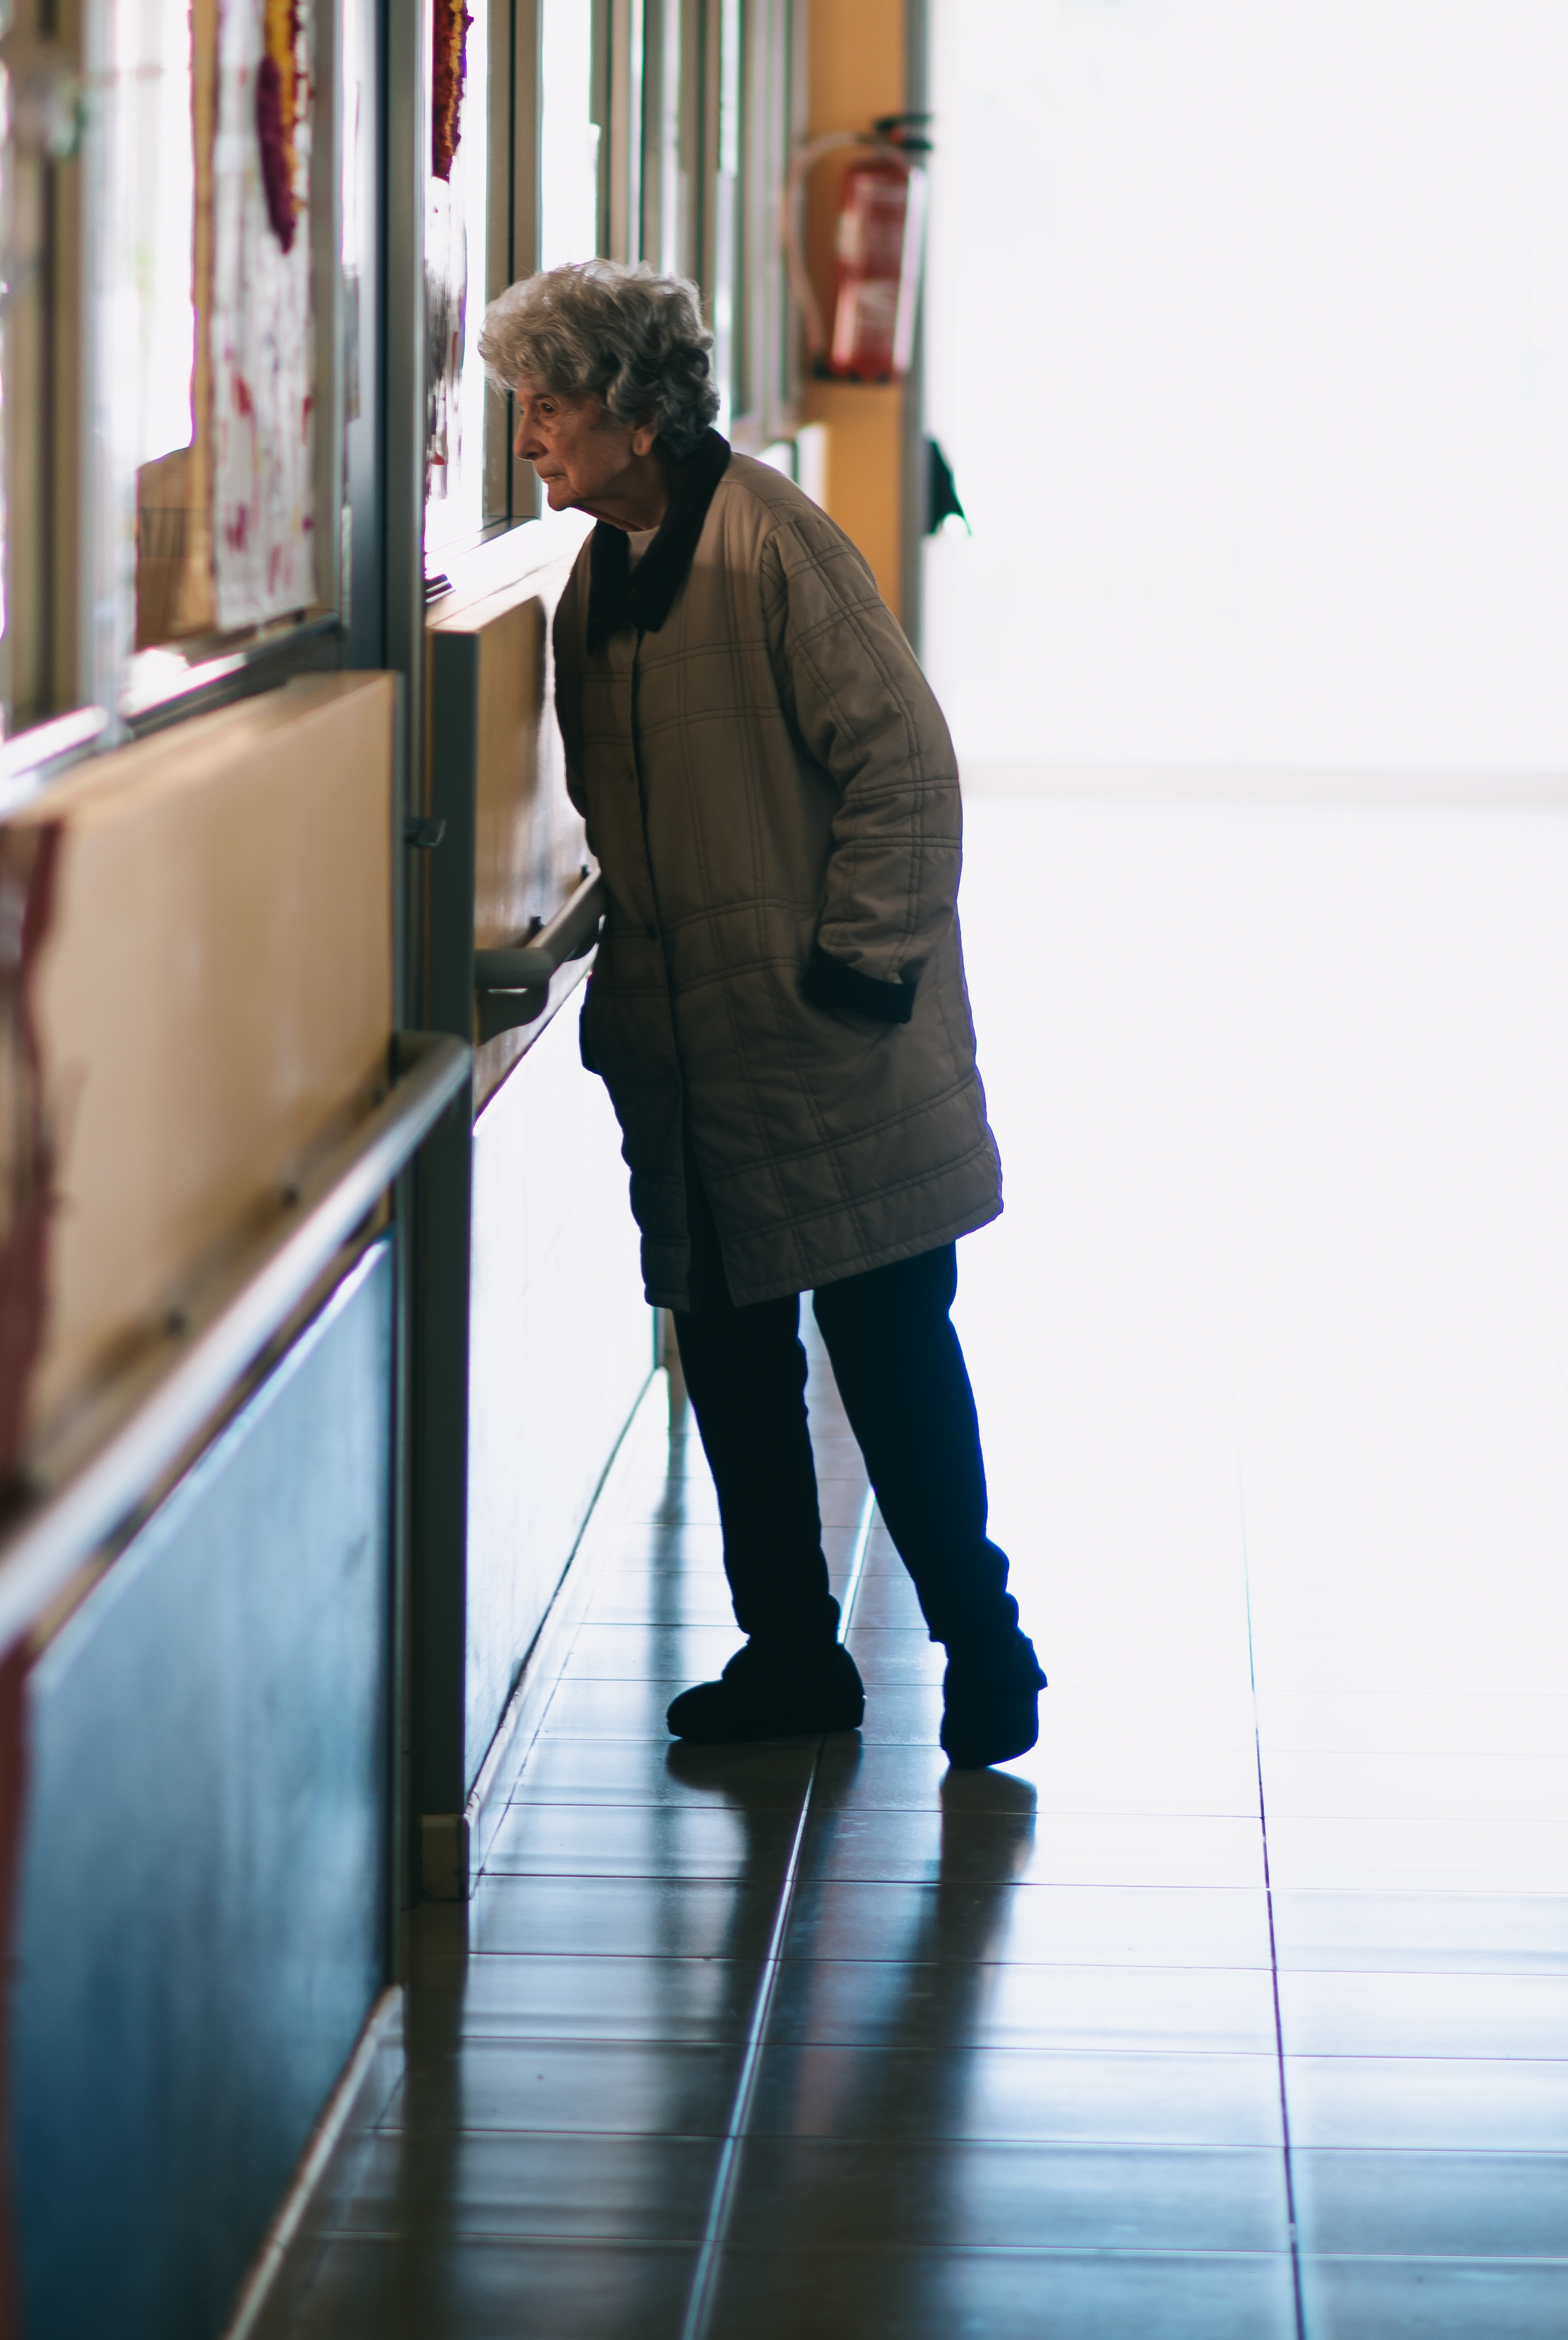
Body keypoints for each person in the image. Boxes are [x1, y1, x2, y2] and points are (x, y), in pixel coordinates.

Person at [481, 260, 1044, 1769]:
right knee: (733, 1367)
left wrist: (854, 971)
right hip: (693, 1060)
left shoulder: (770, 546)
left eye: (552, 404)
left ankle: (986, 1647)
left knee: (890, 1356)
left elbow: (904, 772)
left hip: (829, 1043)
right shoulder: (600, 576)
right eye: (523, 405)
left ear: (637, 411)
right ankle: (789, 1651)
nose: (529, 433)